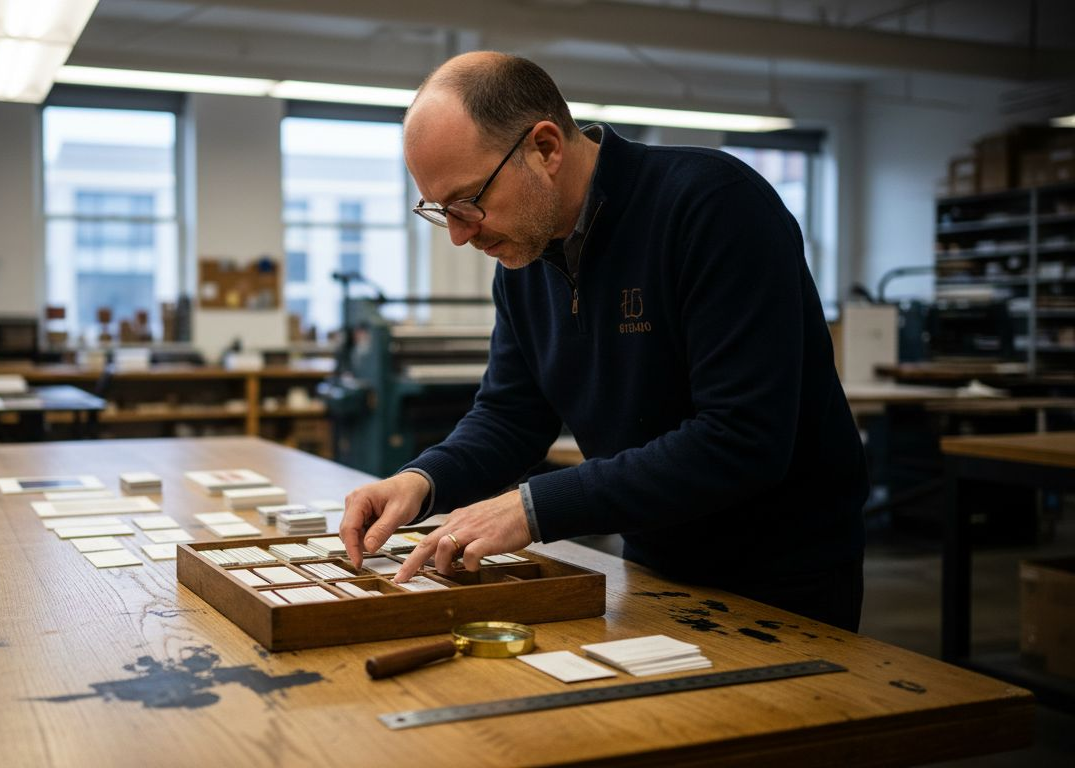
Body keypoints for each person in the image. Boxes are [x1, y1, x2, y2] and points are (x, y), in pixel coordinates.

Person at [340, 52, 868, 631]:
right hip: (654, 563)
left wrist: (532, 508)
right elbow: (512, 416)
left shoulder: (712, 206)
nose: (461, 236)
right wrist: (421, 480)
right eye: (443, 212)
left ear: (544, 148)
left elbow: (742, 437)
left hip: (785, 575)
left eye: (469, 202)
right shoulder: (525, 260)